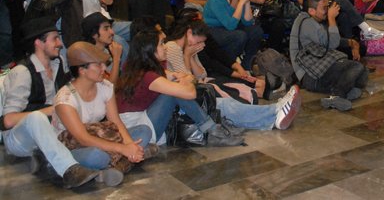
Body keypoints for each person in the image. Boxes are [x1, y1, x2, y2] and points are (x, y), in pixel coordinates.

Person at [2, 17, 101, 188]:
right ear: (39, 43)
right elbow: (7, 121)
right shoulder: (22, 72)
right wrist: (51, 110)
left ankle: (103, 166)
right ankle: (69, 170)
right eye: (55, 38)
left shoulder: (58, 65)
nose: (60, 43)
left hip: (52, 132)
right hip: (19, 139)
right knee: (36, 118)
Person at [162, 18, 301, 129]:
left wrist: (191, 56)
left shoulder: (189, 48)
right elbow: (190, 81)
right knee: (227, 104)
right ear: (189, 33)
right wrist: (187, 56)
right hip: (190, 94)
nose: (199, 45)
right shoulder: (173, 47)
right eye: (160, 44)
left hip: (198, 88)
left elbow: (201, 75)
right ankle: (275, 111)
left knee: (228, 102)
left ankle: (275, 111)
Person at [114, 29, 244, 146]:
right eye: (161, 44)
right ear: (150, 49)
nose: (165, 47)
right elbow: (189, 92)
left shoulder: (138, 67)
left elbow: (182, 76)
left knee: (178, 90)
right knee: (173, 94)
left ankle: (213, 128)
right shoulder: (147, 76)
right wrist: (186, 80)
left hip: (139, 120)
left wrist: (186, 80)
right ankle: (212, 130)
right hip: (138, 127)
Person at [52, 41, 156, 186]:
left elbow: (116, 121)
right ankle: (124, 161)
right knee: (96, 156)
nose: (103, 68)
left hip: (100, 136)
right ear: (82, 70)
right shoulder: (65, 99)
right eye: (98, 65)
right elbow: (83, 139)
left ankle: (109, 168)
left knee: (144, 131)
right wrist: (123, 148)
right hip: (74, 145)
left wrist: (129, 144)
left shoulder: (105, 87)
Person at [289, 0, 368, 112]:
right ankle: (337, 96)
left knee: (362, 73)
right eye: (324, 8)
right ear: (312, 11)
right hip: (310, 76)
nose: (328, 10)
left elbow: (326, 39)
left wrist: (351, 42)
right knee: (356, 67)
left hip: (318, 69)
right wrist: (331, 18)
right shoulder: (307, 23)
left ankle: (342, 90)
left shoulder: (306, 19)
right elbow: (333, 43)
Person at [203, 0, 264, 70]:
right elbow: (230, 25)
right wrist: (241, 3)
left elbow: (248, 23)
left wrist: (247, 2)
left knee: (256, 31)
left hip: (227, 27)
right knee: (239, 36)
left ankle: (246, 65)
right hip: (211, 30)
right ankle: (228, 65)